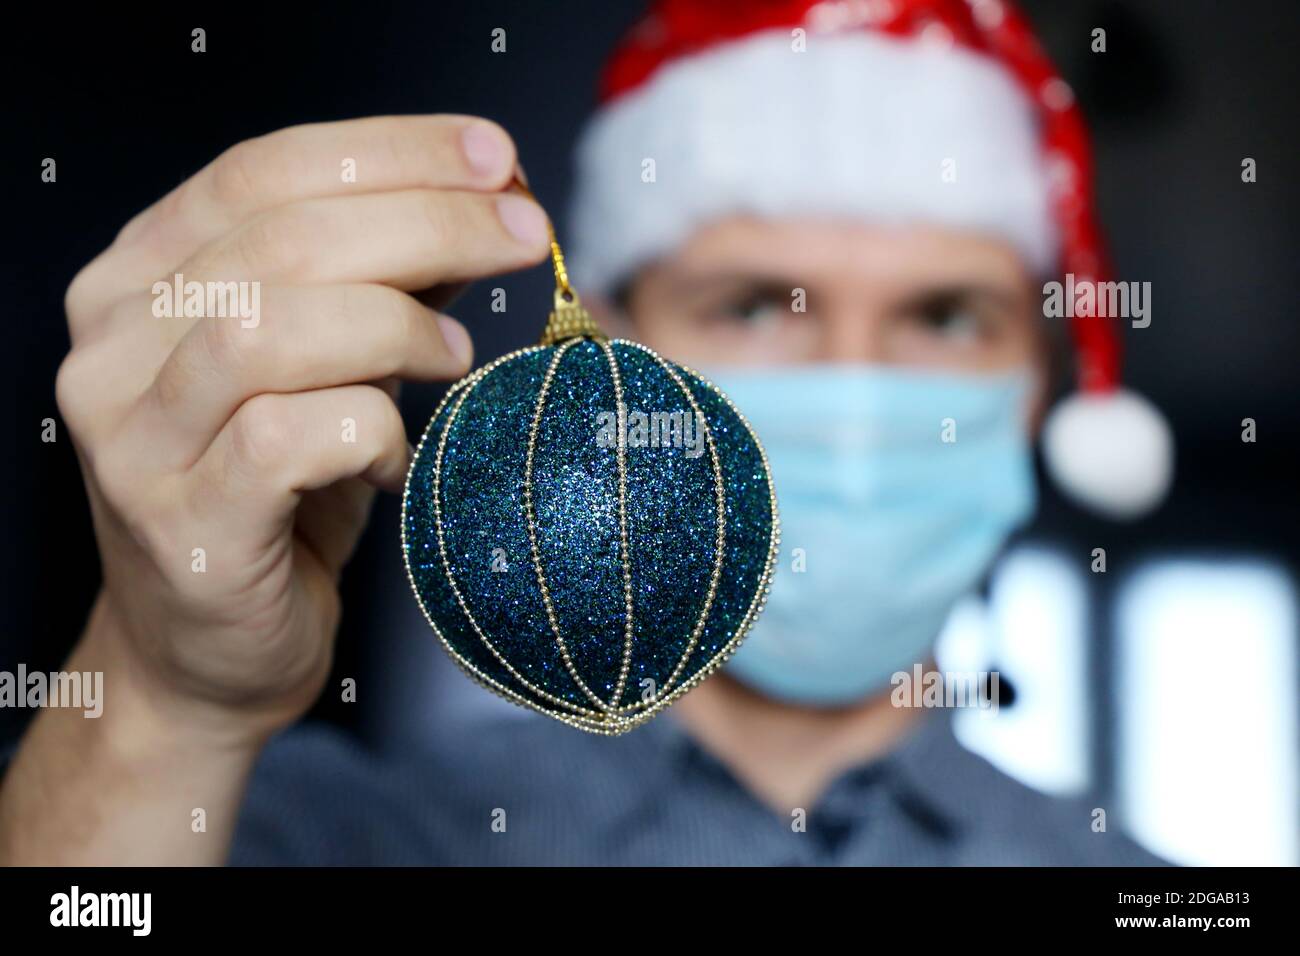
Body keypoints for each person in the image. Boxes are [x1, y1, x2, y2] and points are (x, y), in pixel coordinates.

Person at [0, 0, 1171, 865]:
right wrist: (160, 697)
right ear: (617, 370)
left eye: (944, 315)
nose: (853, 397)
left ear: (1039, 385)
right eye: (755, 304)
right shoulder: (332, 835)